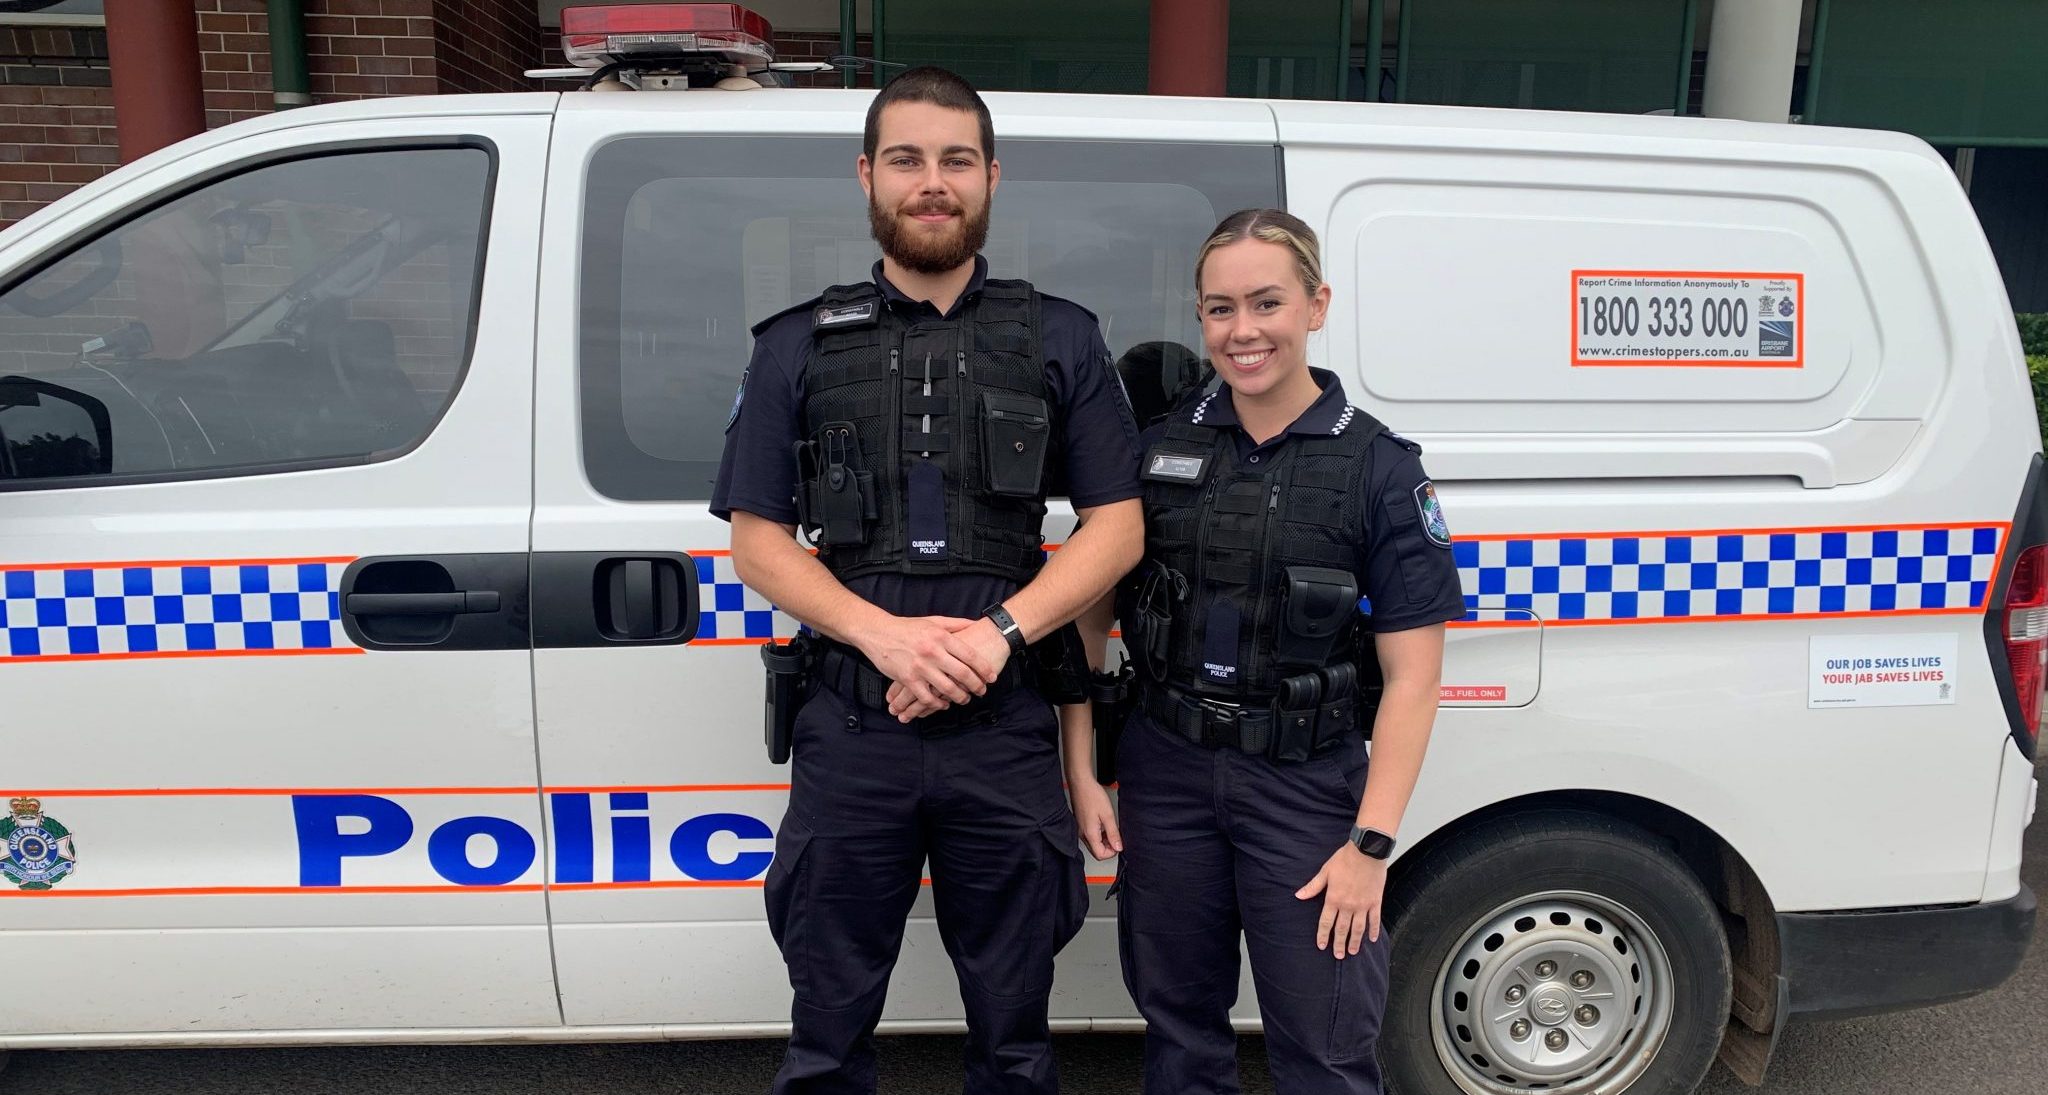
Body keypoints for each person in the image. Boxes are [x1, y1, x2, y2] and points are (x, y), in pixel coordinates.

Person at [712, 67, 1145, 1095]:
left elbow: (1117, 528)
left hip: (1004, 736)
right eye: (907, 159)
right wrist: (887, 638)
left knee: (1014, 1036)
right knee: (825, 1029)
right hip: (853, 731)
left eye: (955, 160)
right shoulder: (792, 348)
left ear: (990, 177)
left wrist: (996, 633)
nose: (932, 181)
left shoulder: (1061, 338)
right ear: (868, 176)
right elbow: (757, 541)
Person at [1064, 208, 1466, 1095]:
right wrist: (1085, 768)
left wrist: (1370, 845)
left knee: (1323, 1046)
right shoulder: (1158, 447)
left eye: (1266, 303)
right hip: (1166, 776)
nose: (1242, 331)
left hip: (1305, 788)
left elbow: (1414, 678)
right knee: (1179, 1033)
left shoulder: (1379, 467)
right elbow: (1090, 619)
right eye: (1219, 309)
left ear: (1316, 306)